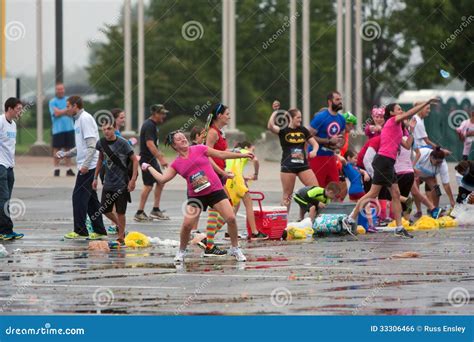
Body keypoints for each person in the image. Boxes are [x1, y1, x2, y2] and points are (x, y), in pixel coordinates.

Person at [141, 131, 254, 262]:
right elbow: (162, 179)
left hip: (215, 190)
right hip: (196, 196)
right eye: (178, 139)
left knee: (231, 218)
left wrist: (240, 154)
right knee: (187, 225)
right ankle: (181, 251)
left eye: (183, 136)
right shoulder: (176, 164)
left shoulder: (200, 149)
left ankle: (235, 249)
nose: (183, 139)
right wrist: (148, 167)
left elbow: (221, 154)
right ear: (174, 145)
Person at [343, 99, 439, 238]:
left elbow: (407, 145)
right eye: (399, 109)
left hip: (388, 163)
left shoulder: (397, 129)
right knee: (373, 194)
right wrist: (425, 103)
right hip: (383, 161)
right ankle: (351, 218)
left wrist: (411, 131)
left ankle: (399, 227)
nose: (401, 111)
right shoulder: (392, 121)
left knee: (394, 194)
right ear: (392, 113)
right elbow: (408, 114)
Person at [59, 96, 107, 240]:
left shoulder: (85, 119)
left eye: (68, 106)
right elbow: (82, 146)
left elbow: (92, 145)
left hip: (89, 166)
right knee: (91, 200)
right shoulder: (78, 120)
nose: (66, 109)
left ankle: (80, 230)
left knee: (78, 198)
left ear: (75, 106)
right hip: (86, 165)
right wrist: (66, 154)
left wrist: (86, 165)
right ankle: (99, 230)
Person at [93, 118, 138, 246]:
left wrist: (133, 179)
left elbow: (135, 160)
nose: (106, 132)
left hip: (122, 183)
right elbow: (100, 160)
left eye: (109, 129)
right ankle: (121, 227)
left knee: (120, 212)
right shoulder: (100, 143)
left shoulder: (123, 143)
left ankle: (121, 236)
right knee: (105, 209)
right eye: (104, 129)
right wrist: (95, 178)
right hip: (108, 182)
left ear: (115, 129)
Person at [267, 101, 319, 210]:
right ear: (291, 118)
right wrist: (275, 112)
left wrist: (314, 151)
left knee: (316, 190)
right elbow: (270, 126)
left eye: (300, 118)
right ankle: (283, 223)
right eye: (298, 118)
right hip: (288, 166)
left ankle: (312, 216)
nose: (300, 120)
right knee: (287, 196)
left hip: (303, 165)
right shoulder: (283, 131)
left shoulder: (303, 130)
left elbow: (315, 144)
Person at [226, 141, 268, 240]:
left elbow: (233, 170)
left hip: (228, 180)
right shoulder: (244, 151)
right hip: (237, 180)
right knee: (248, 203)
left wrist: (244, 178)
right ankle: (254, 232)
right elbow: (256, 161)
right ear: (246, 147)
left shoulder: (230, 153)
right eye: (252, 149)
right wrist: (256, 174)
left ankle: (229, 233)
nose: (252, 152)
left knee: (234, 205)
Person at [134, 104, 169, 222]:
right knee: (148, 185)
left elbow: (152, 143)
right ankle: (139, 212)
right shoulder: (149, 125)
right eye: (162, 113)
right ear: (155, 114)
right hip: (146, 160)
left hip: (151, 159)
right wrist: (161, 159)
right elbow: (149, 144)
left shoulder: (152, 125)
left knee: (161, 181)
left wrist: (158, 154)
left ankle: (155, 209)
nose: (164, 116)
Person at [308, 91, 346, 190]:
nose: (340, 102)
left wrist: (338, 144)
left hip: (331, 157)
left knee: (334, 188)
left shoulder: (341, 119)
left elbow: (342, 138)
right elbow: (308, 136)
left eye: (340, 99)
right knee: (317, 189)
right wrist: (328, 141)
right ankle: (313, 206)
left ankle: (331, 206)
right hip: (318, 157)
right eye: (337, 100)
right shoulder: (320, 117)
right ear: (330, 102)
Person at [0, 98, 24, 241]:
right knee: (3, 200)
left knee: (6, 200)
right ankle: (6, 231)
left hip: (10, 167)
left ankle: (5, 229)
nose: (20, 111)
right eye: (18, 109)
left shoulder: (13, 124)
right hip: (1, 166)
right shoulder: (1, 121)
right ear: (9, 108)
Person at [338, 150, 375, 232]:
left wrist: (365, 174)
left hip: (352, 191)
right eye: (355, 158)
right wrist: (337, 154)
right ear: (348, 158)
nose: (356, 160)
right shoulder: (347, 166)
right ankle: (371, 225)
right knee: (367, 206)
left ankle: (351, 225)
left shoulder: (356, 168)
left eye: (357, 159)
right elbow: (343, 160)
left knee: (354, 209)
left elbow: (363, 171)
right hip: (359, 190)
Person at [413, 146, 456, 210]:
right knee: (415, 190)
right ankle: (419, 211)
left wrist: (451, 200)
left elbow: (446, 184)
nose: (439, 164)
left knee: (436, 189)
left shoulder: (443, 164)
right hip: (415, 172)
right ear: (431, 157)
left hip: (429, 176)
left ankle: (435, 209)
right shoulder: (422, 153)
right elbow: (410, 165)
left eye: (440, 162)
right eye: (437, 162)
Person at [49, 83, 75, 177]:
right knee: (57, 149)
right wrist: (65, 111)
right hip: (57, 129)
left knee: (69, 149)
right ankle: (56, 168)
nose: (60, 91)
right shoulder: (52, 101)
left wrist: (60, 111)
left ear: (64, 90)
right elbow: (55, 114)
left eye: (62, 89)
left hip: (69, 128)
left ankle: (68, 169)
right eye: (58, 89)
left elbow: (71, 112)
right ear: (56, 91)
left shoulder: (69, 100)